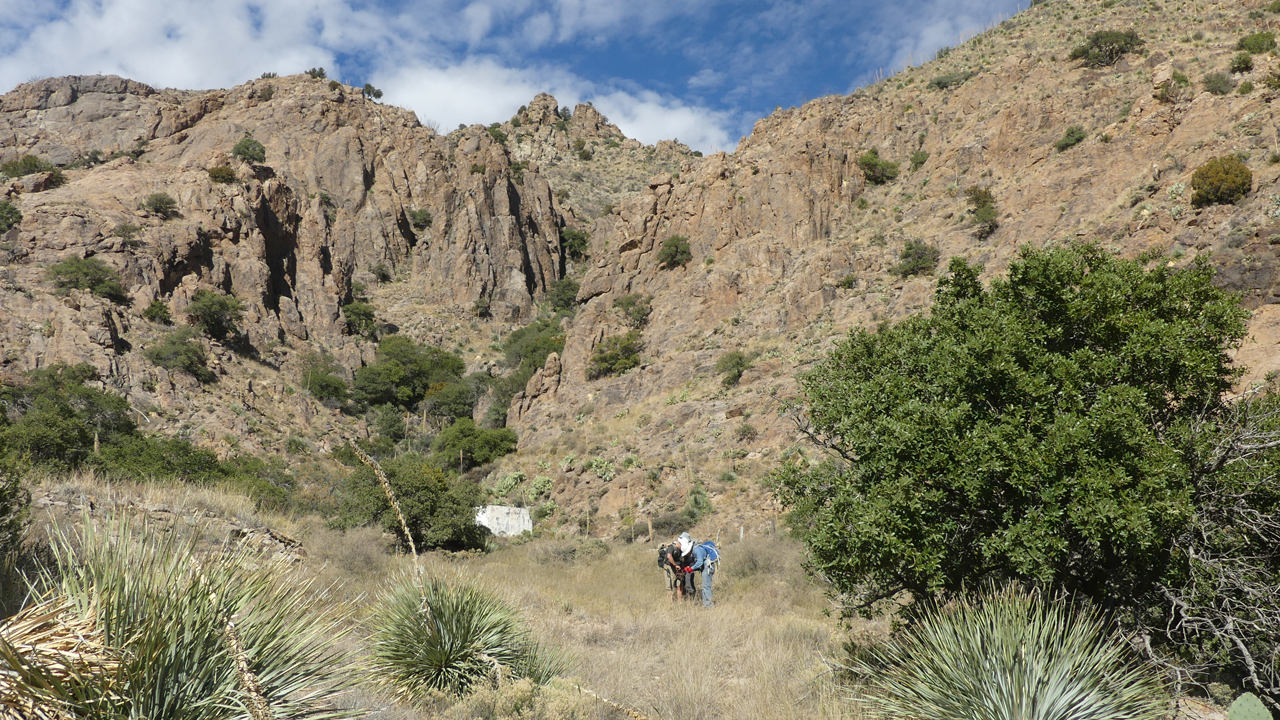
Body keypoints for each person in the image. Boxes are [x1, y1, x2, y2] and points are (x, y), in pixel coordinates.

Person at [688, 537, 717, 608]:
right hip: (708, 567)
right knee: (704, 586)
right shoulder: (699, 549)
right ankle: (706, 604)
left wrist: (691, 568)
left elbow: (700, 562)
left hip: (707, 568)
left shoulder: (697, 549)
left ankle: (709, 605)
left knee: (706, 587)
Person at [657, 538, 684, 602]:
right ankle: (671, 603)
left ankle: (680, 602)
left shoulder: (680, 549)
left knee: (679, 584)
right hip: (669, 568)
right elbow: (669, 556)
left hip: (677, 568)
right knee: (670, 586)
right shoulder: (671, 547)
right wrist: (675, 565)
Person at [676, 532, 697, 600]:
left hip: (690, 567)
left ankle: (691, 597)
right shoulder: (682, 545)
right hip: (685, 567)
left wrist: (689, 568)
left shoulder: (691, 547)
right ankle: (688, 596)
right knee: (684, 582)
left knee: (689, 582)